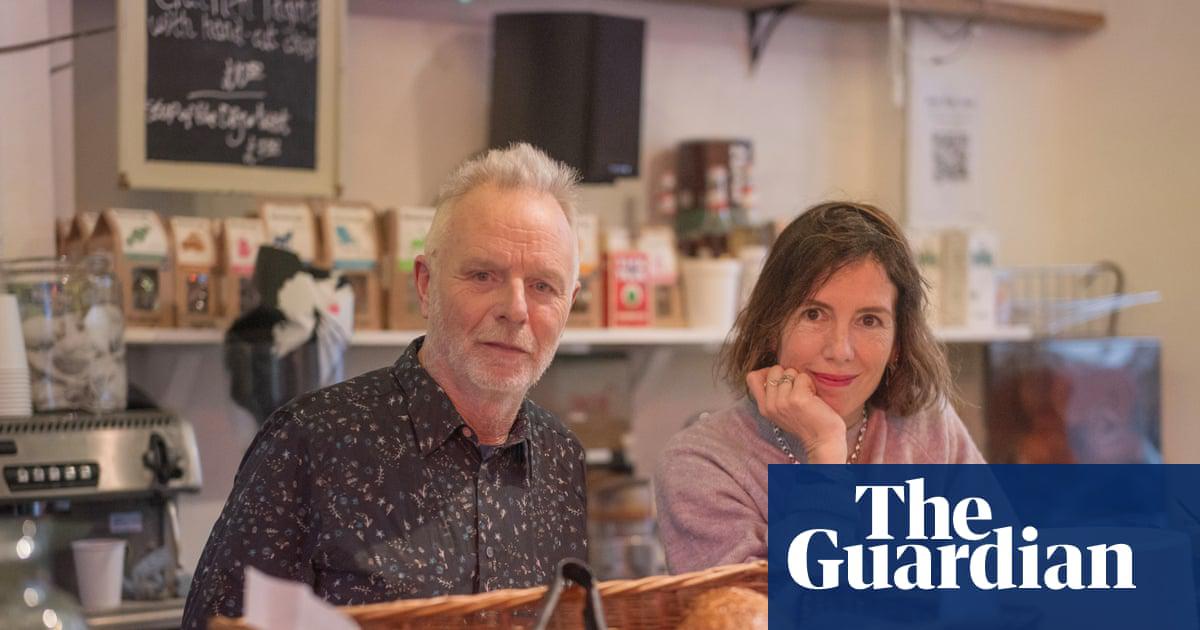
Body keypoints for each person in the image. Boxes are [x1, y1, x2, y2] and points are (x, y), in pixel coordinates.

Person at [182, 143, 587, 628]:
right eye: (483, 275)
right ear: (425, 284)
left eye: (543, 286)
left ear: (570, 303)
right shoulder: (309, 444)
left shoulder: (562, 459)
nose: (516, 309)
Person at [654, 201, 984, 574]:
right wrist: (825, 449)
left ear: (898, 345)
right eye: (814, 314)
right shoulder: (701, 464)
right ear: (769, 330)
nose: (840, 350)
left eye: (870, 320)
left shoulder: (930, 428)